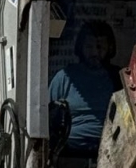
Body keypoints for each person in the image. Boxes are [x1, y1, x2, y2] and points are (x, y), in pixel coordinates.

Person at [48, 19, 122, 151]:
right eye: (89, 47)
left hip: (111, 148)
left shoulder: (118, 78)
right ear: (81, 48)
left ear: (109, 48)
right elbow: (48, 117)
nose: (94, 52)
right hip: (69, 149)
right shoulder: (64, 77)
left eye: (100, 47)